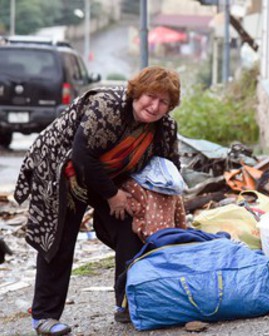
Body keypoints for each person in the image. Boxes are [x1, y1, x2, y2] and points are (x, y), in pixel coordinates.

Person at [14, 66, 182, 335]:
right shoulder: (107, 107)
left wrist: (155, 204)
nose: (154, 106)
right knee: (59, 239)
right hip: (62, 170)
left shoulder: (163, 128)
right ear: (137, 92)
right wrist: (113, 196)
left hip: (108, 176)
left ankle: (127, 302)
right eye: (151, 96)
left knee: (131, 227)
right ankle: (45, 316)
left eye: (164, 102)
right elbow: (82, 158)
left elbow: (170, 167)